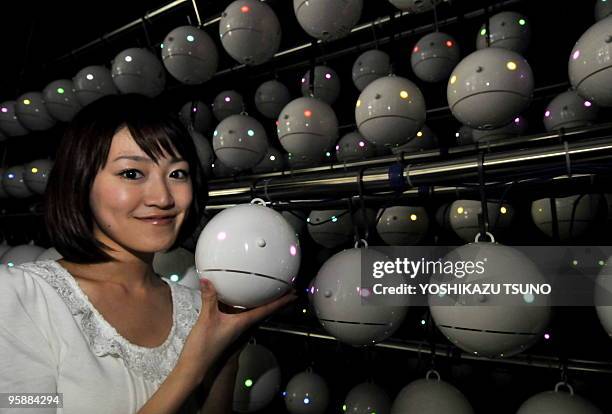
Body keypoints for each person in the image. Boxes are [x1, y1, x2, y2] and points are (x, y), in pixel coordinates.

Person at [0, 94, 296, 414]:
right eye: (132, 173)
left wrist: (227, 353)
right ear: (81, 181)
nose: (162, 197)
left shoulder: (199, 308)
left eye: (177, 174)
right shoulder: (22, 298)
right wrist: (190, 368)